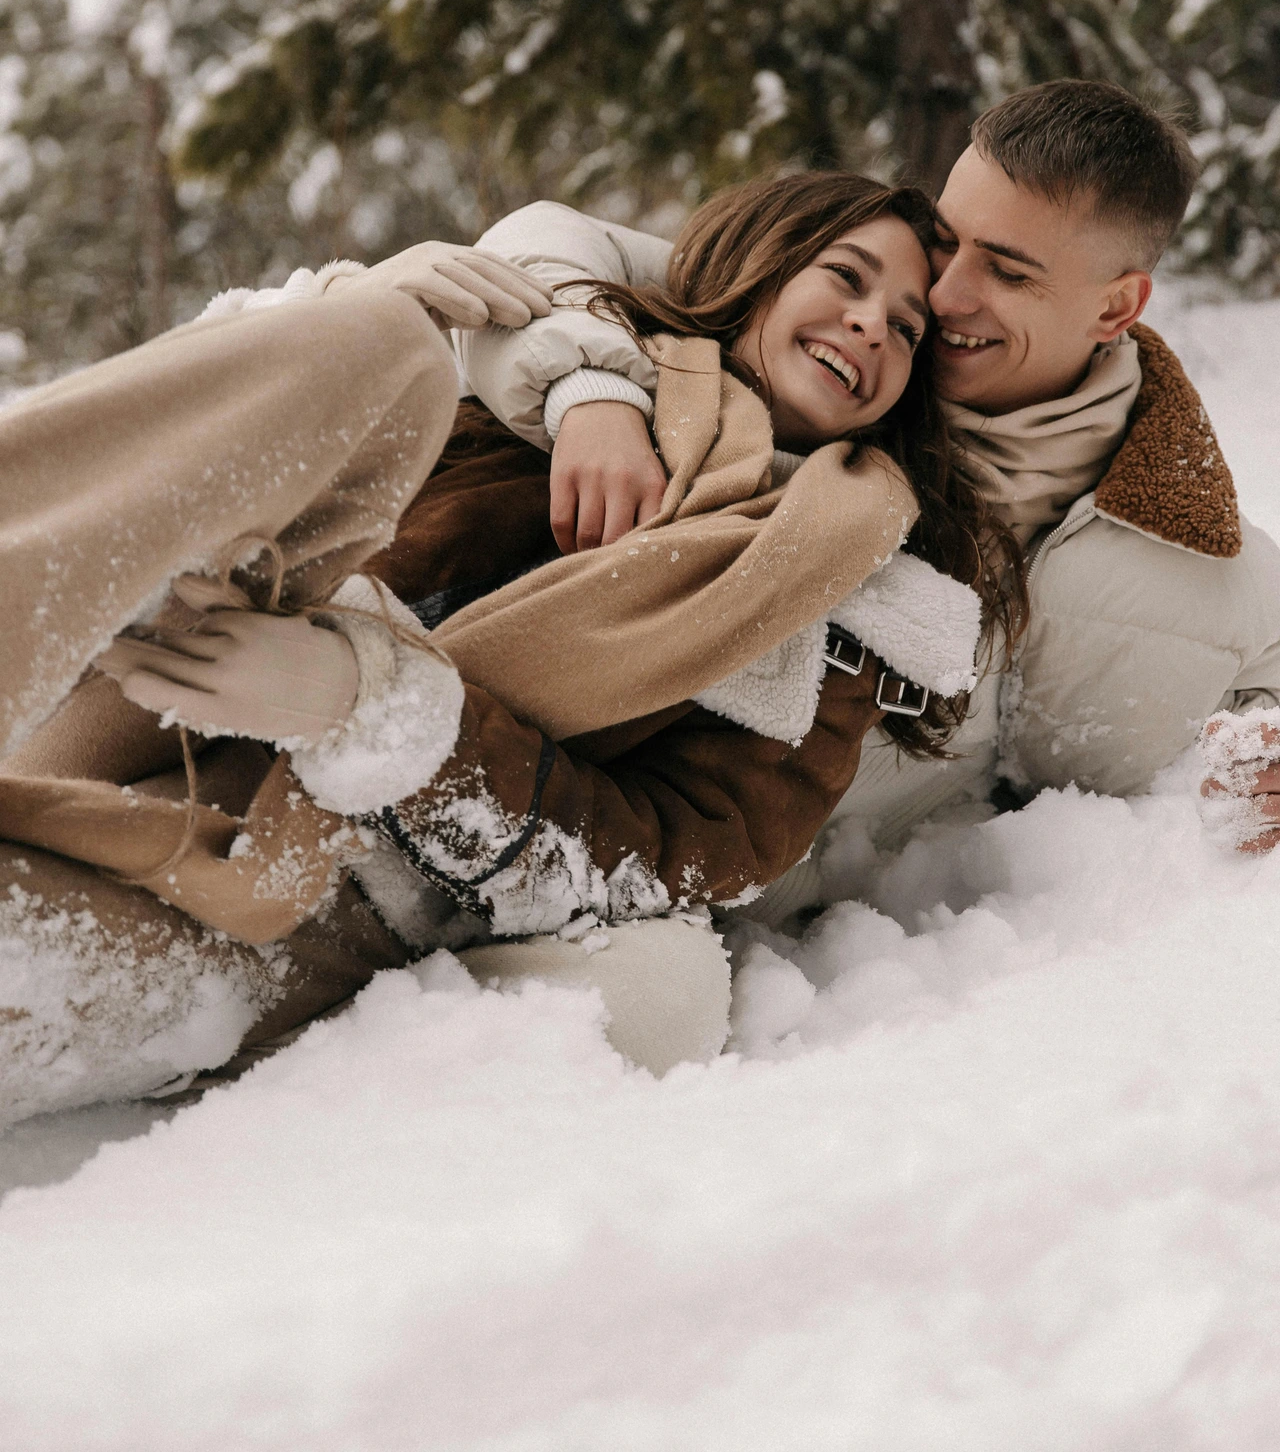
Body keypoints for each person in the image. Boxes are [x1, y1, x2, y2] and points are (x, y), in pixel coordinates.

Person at [0, 173, 997, 1124]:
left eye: (907, 328)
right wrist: (561, 382)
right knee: (377, 334)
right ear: (760, 263)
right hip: (124, 676)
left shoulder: (840, 618)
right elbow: (161, 454)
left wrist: (372, 707)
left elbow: (659, 863)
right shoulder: (530, 363)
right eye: (846, 275)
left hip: (286, 900)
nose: (873, 324)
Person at [457, 79, 1280, 929]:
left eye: (1005, 269)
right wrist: (589, 389)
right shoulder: (839, 355)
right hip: (556, 828)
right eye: (948, 238)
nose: (948, 291)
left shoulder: (1194, 552)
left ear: (1116, 305)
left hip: (851, 975)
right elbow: (538, 245)